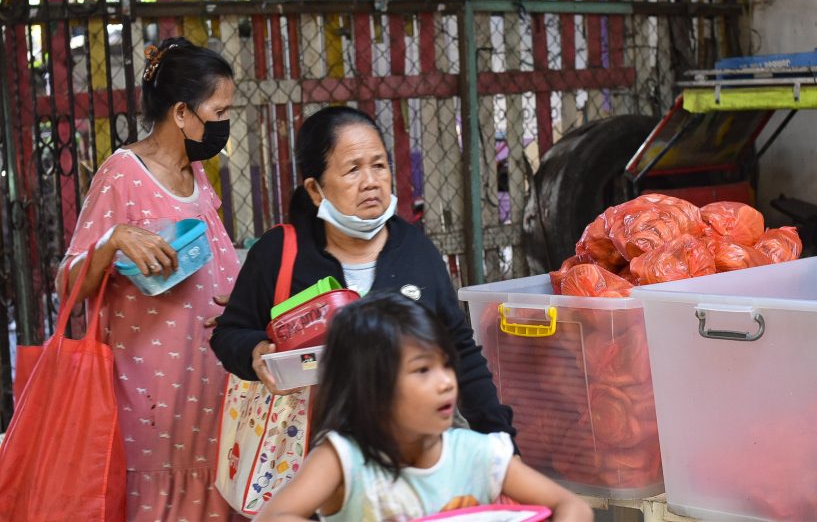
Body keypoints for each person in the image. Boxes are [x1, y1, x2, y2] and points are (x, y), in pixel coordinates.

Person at [211, 105, 516, 440]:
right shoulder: (279, 253)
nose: (371, 182)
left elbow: (459, 349)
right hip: (305, 453)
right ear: (314, 190)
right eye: (353, 170)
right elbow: (230, 334)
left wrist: (500, 440)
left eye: (379, 165)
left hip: (408, 453)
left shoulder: (417, 252)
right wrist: (255, 352)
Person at [57, 37, 241, 520]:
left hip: (209, 389)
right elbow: (67, 284)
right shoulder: (122, 173)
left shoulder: (195, 171)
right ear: (182, 113)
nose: (225, 123)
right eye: (219, 111)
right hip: (153, 401)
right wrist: (112, 240)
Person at [252, 292, 594, 521]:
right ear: (372, 386)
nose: (446, 382)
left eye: (446, 365)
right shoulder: (344, 459)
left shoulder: (479, 453)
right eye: (422, 370)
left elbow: (573, 506)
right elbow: (274, 517)